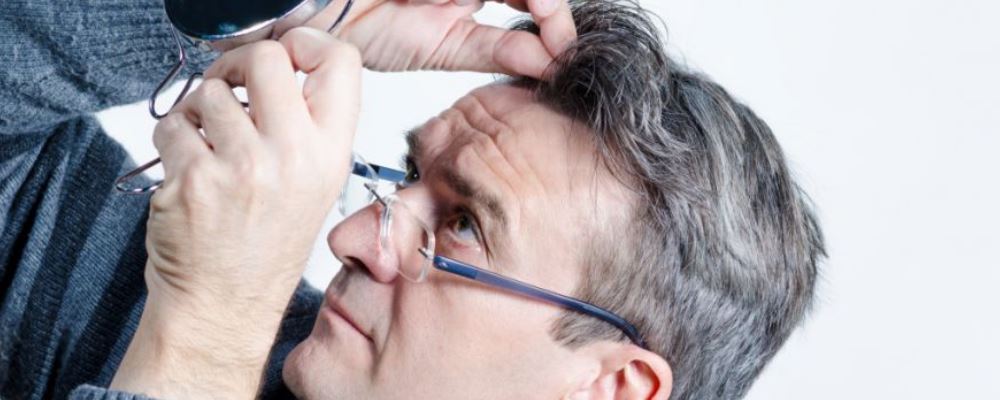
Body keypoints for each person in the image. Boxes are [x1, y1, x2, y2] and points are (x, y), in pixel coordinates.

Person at [0, 0, 824, 399]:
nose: (352, 238)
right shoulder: (248, 328)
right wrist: (260, 9)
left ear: (610, 390)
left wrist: (206, 338)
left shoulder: (219, 312)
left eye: (463, 225)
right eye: (405, 180)